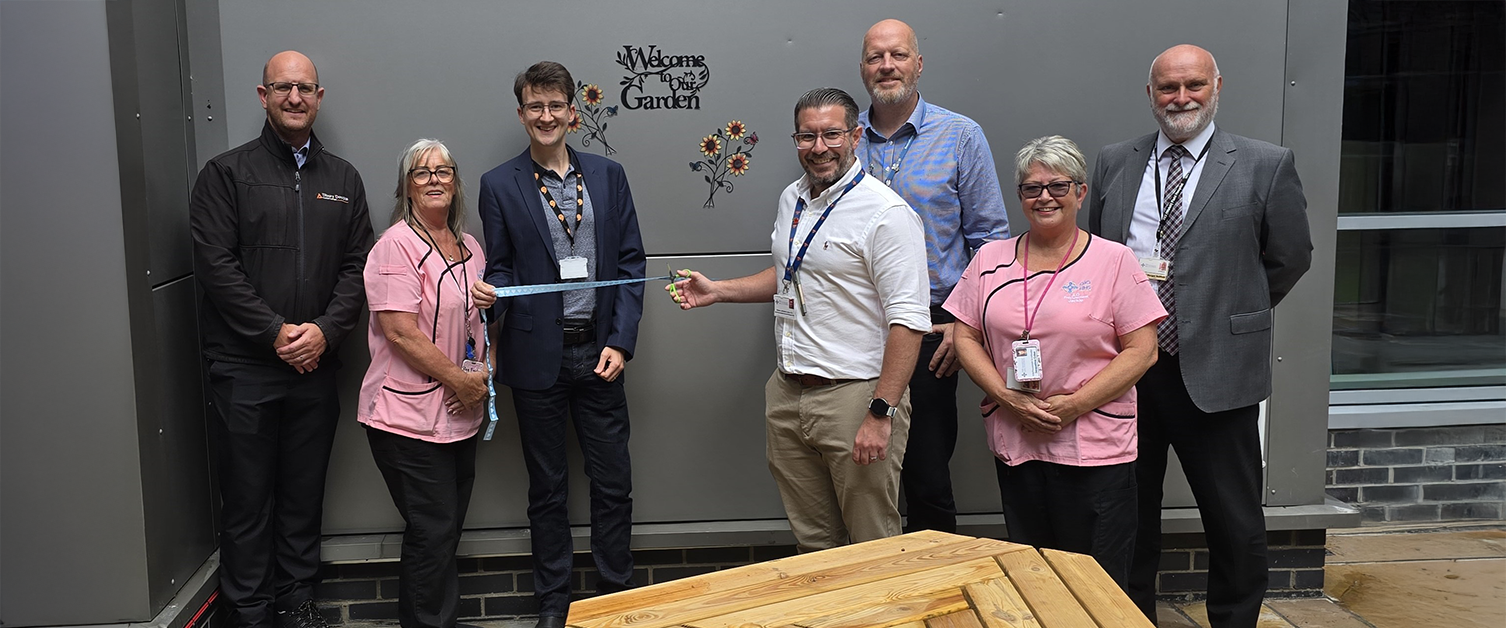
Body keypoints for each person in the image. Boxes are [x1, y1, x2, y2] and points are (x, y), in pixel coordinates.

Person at [1086, 44, 1313, 627]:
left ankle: (1234, 621)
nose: (1180, 98)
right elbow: (1099, 256)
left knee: (1233, 520)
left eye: (1193, 86)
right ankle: (1129, 617)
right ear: (1150, 94)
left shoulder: (1265, 163)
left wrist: (1227, 313)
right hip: (1128, 371)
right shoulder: (1115, 161)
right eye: (1168, 88)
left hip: (1216, 369)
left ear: (1217, 86)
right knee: (1127, 514)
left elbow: (1289, 257)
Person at [667, 87, 930, 552]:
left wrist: (881, 413)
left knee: (873, 545)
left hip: (856, 397)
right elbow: (793, 273)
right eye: (807, 136)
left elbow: (909, 322)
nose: (819, 147)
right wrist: (719, 291)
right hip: (789, 394)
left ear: (856, 135)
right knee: (815, 543)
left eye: (831, 134)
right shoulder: (793, 198)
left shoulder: (886, 214)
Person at [190, 50, 373, 628]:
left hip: (314, 369)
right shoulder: (225, 175)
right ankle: (246, 613)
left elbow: (358, 266)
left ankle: (296, 606)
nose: (294, 98)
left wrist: (322, 332)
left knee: (302, 496)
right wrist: (274, 333)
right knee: (246, 502)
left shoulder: (342, 178)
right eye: (282, 87)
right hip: (244, 370)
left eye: (305, 88)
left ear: (319, 97)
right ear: (263, 96)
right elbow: (217, 268)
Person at [470, 61, 645, 628]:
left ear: (573, 111)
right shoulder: (499, 183)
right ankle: (554, 603)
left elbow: (629, 264)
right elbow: (500, 265)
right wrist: (489, 295)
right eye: (534, 107)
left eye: (555, 106)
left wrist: (622, 341)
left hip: (601, 354)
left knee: (613, 483)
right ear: (521, 114)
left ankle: (616, 595)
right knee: (546, 489)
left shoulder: (609, 176)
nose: (546, 116)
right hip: (535, 356)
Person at [945, 136, 1164, 587]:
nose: (1044, 196)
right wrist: (1007, 397)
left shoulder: (1114, 261)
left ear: (1081, 193)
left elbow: (1143, 350)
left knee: (1098, 579)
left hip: (1094, 444)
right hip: (1019, 439)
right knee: (1036, 573)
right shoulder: (990, 259)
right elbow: (964, 334)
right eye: (1032, 187)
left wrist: (1073, 405)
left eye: (1058, 186)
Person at [856, 18, 1011, 534]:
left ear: (918, 64)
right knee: (857, 469)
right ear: (862, 68)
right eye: (876, 56)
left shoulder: (961, 135)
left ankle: (935, 594)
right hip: (852, 326)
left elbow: (989, 241)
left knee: (925, 472)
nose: (886, 65)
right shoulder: (841, 137)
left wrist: (963, 324)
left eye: (898, 55)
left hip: (931, 328)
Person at [359, 139, 492, 628]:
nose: (434, 179)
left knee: (444, 532)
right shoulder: (395, 246)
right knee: (432, 530)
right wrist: (459, 380)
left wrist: (483, 372)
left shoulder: (471, 246)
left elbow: (480, 325)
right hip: (405, 419)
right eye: (421, 172)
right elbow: (399, 331)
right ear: (406, 187)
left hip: (460, 414)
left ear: (455, 182)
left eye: (444, 170)